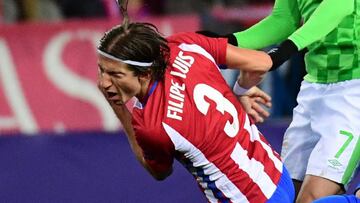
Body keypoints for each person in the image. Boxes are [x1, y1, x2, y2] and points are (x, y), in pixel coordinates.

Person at [96, 2, 294, 202]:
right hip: (278, 175)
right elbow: (259, 63)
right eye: (101, 70)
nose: (104, 83)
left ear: (145, 73)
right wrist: (240, 90)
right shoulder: (183, 44)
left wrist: (119, 108)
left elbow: (159, 172)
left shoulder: (154, 126)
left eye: (115, 74)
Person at [198, 0, 360, 202]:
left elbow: (337, 7)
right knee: (285, 195)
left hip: (353, 90)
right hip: (313, 88)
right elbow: (283, 20)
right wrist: (225, 42)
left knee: (311, 199)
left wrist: (278, 55)